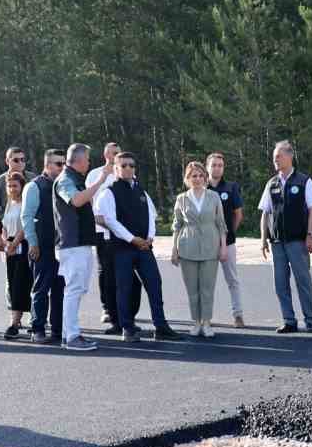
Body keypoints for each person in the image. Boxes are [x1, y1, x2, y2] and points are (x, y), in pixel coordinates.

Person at [97, 150, 182, 342]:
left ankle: (161, 327)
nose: (128, 168)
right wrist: (132, 239)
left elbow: (151, 215)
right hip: (122, 249)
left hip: (144, 248)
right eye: (123, 165)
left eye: (131, 165)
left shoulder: (141, 190)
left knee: (154, 284)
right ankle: (127, 328)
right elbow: (110, 221)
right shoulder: (108, 192)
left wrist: (150, 237)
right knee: (124, 288)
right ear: (116, 168)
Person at [257, 139, 312, 333]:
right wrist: (263, 240)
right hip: (277, 242)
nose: (275, 160)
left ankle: (310, 320)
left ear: (290, 156)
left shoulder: (303, 181)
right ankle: (289, 320)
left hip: (298, 241)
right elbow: (265, 213)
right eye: (274, 157)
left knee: (303, 281)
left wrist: (310, 235)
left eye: (279, 156)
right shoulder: (272, 183)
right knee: (280, 283)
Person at [53, 143, 107, 350]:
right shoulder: (66, 179)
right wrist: (100, 181)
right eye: (87, 159)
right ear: (79, 160)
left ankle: (70, 334)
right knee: (74, 289)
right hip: (71, 243)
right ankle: (72, 336)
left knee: (77, 289)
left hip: (80, 242)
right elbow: (75, 201)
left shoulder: (75, 179)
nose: (89, 163)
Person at [86, 141, 139, 331]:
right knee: (106, 272)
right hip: (102, 232)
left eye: (117, 153)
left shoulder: (126, 173)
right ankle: (108, 308)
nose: (114, 156)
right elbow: (90, 202)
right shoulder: (94, 174)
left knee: (127, 274)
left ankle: (127, 313)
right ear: (105, 155)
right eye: (111, 153)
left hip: (124, 233)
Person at [171, 160, 226, 338]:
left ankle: (207, 322)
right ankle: (196, 322)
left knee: (207, 288)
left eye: (201, 175)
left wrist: (223, 248)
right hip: (187, 247)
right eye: (193, 175)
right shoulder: (181, 199)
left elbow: (221, 224)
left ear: (205, 177)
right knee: (192, 290)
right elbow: (177, 226)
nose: (197, 178)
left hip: (211, 247)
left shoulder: (214, 197)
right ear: (187, 178)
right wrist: (174, 249)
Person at [22, 149, 67, 344]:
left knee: (60, 289)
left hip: (62, 247)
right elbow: (27, 217)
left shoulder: (64, 185)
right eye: (59, 164)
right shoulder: (34, 186)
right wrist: (33, 243)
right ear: (47, 165)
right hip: (42, 246)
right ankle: (37, 329)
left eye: (65, 163)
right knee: (41, 288)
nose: (63, 167)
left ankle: (58, 330)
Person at [205, 152, 244, 327]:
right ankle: (205, 317)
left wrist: (229, 234)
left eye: (220, 165)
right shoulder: (201, 187)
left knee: (232, 280)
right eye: (214, 165)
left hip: (227, 243)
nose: (217, 168)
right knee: (206, 282)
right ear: (207, 167)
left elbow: (238, 214)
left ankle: (238, 315)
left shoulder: (231, 187)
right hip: (206, 244)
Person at [0, 171, 33, 340]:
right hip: (10, 248)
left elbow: (26, 225)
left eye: (15, 185)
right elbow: (4, 226)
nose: (12, 189)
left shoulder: (25, 203)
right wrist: (5, 242)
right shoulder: (8, 204)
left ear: (22, 186)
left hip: (23, 245)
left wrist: (15, 243)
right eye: (9, 185)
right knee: (13, 285)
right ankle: (15, 321)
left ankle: (22, 321)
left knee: (23, 284)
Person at [0, 146, 33, 255]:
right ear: (7, 161)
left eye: (23, 160)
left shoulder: (32, 179)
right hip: (9, 234)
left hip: (30, 234)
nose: (20, 163)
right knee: (12, 269)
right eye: (16, 160)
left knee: (30, 271)